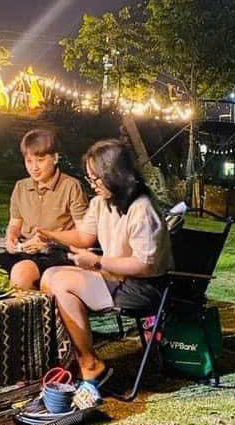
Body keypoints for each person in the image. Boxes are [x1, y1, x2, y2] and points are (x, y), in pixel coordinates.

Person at [37, 139, 173, 391]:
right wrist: (50, 235)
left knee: (61, 282)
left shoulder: (142, 208)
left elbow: (145, 265)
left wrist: (98, 262)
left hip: (143, 287)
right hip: (114, 277)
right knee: (49, 277)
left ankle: (90, 364)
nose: (92, 184)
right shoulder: (101, 202)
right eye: (89, 178)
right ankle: (73, 359)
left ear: (115, 174)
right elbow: (84, 237)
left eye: (95, 178)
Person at [0, 128, 88, 289]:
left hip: (57, 254)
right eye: (29, 161)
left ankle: (26, 305)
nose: (34, 168)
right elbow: (14, 223)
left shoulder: (71, 186)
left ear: (55, 158)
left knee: (22, 272)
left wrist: (49, 241)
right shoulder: (21, 187)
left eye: (40, 160)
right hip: (24, 251)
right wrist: (11, 237)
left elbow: (84, 235)